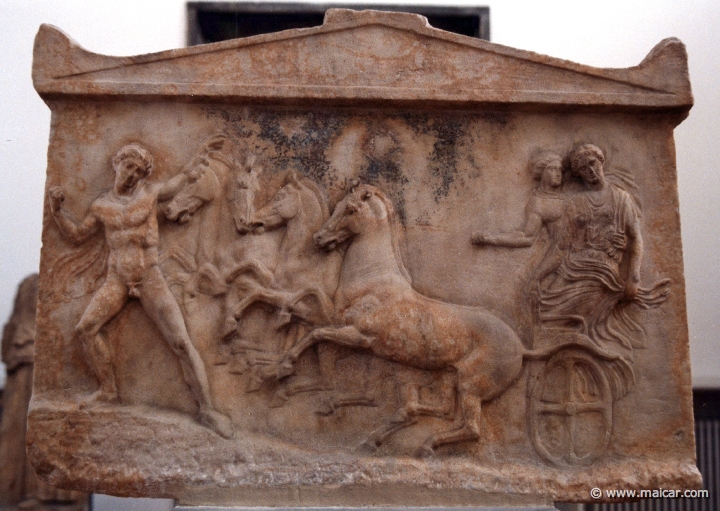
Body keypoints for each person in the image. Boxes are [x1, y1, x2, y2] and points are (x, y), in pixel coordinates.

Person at [48, 142, 234, 439]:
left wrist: (199, 156)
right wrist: (57, 212)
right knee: (85, 328)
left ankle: (208, 409)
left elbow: (181, 180)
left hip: (149, 277)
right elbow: (78, 235)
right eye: (129, 166)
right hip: (117, 279)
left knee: (182, 342)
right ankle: (108, 390)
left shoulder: (149, 194)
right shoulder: (101, 206)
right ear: (116, 163)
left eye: (139, 169)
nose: (132, 173)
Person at [537, 144, 669, 353]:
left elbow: (636, 239)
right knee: (543, 311)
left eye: (593, 164)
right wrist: (538, 275)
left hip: (602, 273)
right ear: (578, 174)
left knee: (565, 322)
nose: (590, 171)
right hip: (572, 267)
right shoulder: (574, 202)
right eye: (583, 169)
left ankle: (580, 361)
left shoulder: (621, 199)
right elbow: (562, 244)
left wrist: (633, 277)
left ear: (601, 162)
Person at [472, 150, 569, 308]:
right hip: (567, 258)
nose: (558, 174)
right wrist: (490, 238)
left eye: (559, 170)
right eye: (552, 169)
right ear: (541, 173)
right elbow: (526, 237)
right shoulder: (538, 202)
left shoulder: (570, 193)